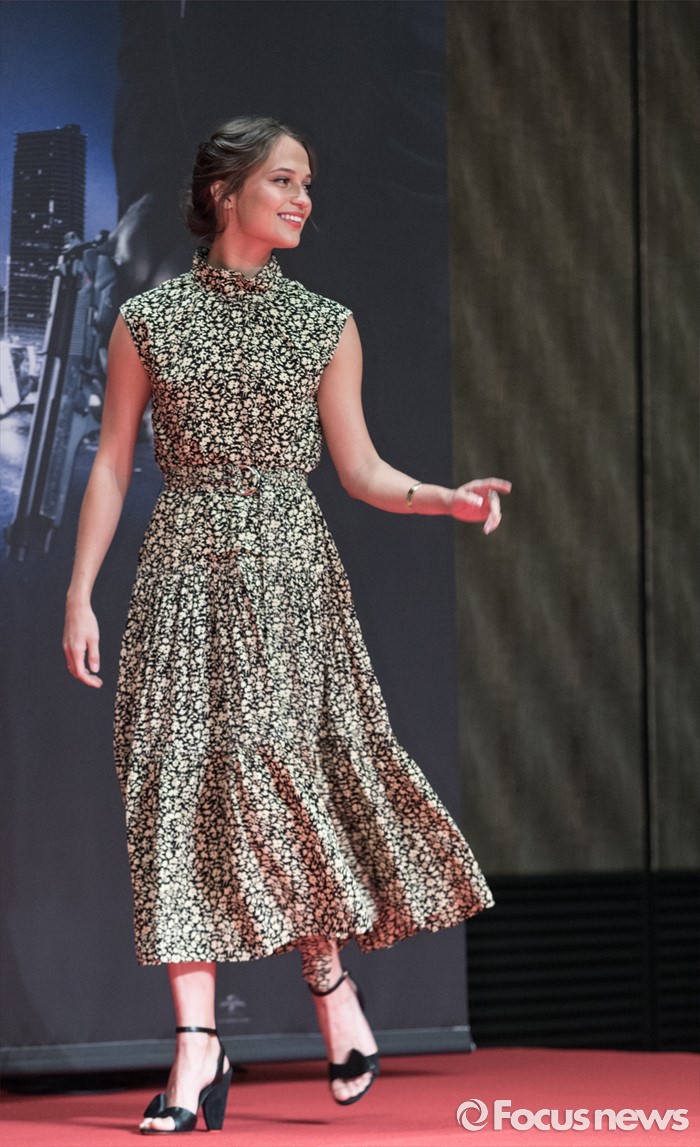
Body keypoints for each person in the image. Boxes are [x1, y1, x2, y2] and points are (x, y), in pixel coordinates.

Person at [63, 116, 511, 1135]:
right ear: (225, 193)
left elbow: (360, 470)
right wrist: (80, 591)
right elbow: (111, 462)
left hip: (287, 583)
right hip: (179, 578)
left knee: (283, 785)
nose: (304, 198)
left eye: (308, 183)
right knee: (173, 791)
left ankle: (330, 986)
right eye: (283, 180)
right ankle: (197, 1048)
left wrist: (441, 497)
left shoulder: (325, 323)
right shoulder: (147, 320)